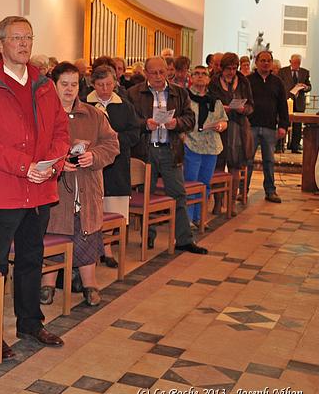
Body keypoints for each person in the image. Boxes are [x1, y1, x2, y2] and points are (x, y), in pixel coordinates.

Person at [0, 16, 71, 359]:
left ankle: (29, 322)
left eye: (28, 37)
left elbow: (60, 130)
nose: (23, 44)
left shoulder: (43, 84)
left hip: (40, 187)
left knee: (31, 258)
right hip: (4, 188)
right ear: (0, 43)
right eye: (16, 38)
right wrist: (24, 166)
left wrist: (53, 163)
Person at [42, 62, 119, 307]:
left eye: (74, 84)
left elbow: (112, 144)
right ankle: (47, 285)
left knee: (87, 235)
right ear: (53, 85)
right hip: (56, 190)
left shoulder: (94, 114)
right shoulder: (43, 114)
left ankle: (90, 285)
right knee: (55, 235)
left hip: (86, 188)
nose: (69, 89)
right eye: (64, 84)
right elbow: (35, 149)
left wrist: (93, 156)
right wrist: (57, 164)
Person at [128, 56, 207, 254]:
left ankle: (183, 239)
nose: (158, 76)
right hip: (145, 149)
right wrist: (144, 124)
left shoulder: (179, 93)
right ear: (146, 73)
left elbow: (190, 119)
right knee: (148, 194)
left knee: (178, 194)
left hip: (170, 149)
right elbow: (128, 122)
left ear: (167, 72)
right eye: (153, 72)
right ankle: (148, 237)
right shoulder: (133, 93)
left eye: (161, 72)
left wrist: (177, 123)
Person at [84, 64, 141, 269]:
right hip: (91, 164)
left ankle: (107, 249)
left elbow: (135, 133)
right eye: (100, 85)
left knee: (112, 208)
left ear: (115, 83)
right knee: (93, 209)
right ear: (93, 85)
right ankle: (94, 250)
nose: (105, 89)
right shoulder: (84, 103)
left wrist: (114, 141)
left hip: (117, 165)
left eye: (109, 84)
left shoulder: (124, 105)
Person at [183, 65, 228, 225]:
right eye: (197, 74)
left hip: (211, 145)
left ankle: (200, 217)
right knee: (191, 182)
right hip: (192, 143)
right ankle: (188, 219)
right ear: (191, 78)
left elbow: (223, 120)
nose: (200, 76)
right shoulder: (185, 98)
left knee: (205, 183)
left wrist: (221, 126)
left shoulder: (214, 100)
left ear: (209, 79)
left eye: (204, 74)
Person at [210, 53, 254, 208]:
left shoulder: (243, 81)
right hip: (219, 127)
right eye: (228, 69)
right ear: (222, 68)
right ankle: (217, 202)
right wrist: (221, 108)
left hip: (238, 127)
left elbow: (251, 106)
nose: (231, 72)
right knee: (218, 164)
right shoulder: (214, 81)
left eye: (234, 68)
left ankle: (231, 204)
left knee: (235, 165)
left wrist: (244, 109)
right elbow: (209, 103)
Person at [246, 50, 289, 203]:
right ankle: (242, 191)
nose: (265, 63)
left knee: (269, 161)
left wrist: (283, 125)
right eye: (262, 60)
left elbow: (283, 106)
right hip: (251, 126)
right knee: (248, 160)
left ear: (271, 63)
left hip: (270, 127)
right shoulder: (248, 80)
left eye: (268, 61)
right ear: (256, 63)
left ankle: (270, 191)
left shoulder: (277, 82)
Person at [278, 54, 312, 153]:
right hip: (285, 101)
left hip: (299, 102)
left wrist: (305, 87)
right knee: (283, 122)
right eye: (295, 62)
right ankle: (280, 146)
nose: (296, 64)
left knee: (297, 125)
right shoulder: (283, 71)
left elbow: (309, 86)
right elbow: (279, 84)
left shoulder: (305, 72)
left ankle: (295, 146)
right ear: (290, 62)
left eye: (298, 63)